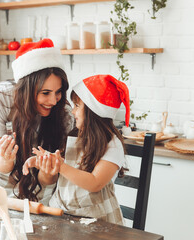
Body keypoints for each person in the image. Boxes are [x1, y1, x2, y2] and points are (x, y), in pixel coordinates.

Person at [23, 74, 130, 223]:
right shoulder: (76, 137)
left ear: (94, 111)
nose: (72, 112)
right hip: (64, 214)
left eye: (77, 106)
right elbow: (67, 167)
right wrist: (46, 160)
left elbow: (95, 183)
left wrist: (61, 166)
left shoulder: (112, 144)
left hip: (97, 220)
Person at [0, 38, 73, 204]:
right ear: (27, 89)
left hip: (44, 193)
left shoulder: (64, 113)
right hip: (2, 183)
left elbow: (51, 179)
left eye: (58, 92)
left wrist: (47, 171)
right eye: (45, 93)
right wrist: (7, 159)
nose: (53, 101)